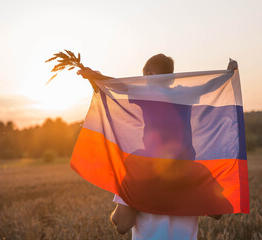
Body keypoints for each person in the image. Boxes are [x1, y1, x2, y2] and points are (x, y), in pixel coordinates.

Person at [77, 54, 238, 240]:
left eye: (143, 77)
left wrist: (95, 77)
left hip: (151, 160)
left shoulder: (137, 167)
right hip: (185, 161)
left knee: (120, 214)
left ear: (149, 73)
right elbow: (208, 86)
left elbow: (119, 85)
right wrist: (227, 74)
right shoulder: (184, 93)